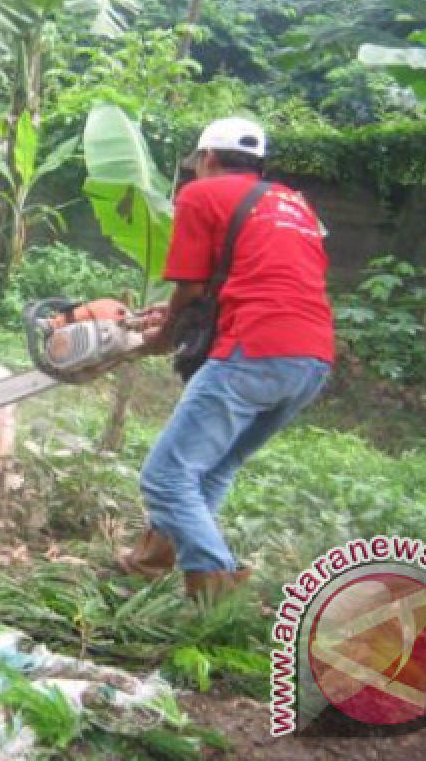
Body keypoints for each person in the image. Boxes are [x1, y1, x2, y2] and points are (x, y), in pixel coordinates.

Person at [118, 117, 335, 599]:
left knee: (165, 475)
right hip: (312, 358)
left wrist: (162, 338)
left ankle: (217, 590)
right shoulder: (293, 203)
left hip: (255, 349)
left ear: (208, 158)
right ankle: (152, 562)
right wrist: (174, 313)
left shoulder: (202, 193)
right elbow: (264, 278)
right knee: (213, 467)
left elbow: (191, 286)